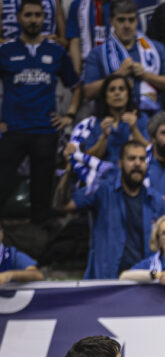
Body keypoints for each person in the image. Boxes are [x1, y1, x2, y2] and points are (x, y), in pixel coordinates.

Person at [0, 0, 79, 228]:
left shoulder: (56, 52)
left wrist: (70, 116)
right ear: (18, 17)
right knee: (2, 185)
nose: (33, 19)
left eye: (37, 15)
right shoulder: (6, 51)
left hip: (45, 131)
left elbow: (76, 86)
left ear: (45, 18)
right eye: (28, 15)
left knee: (41, 195)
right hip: (13, 130)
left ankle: (40, 252)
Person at [68, 140, 165, 280]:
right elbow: (64, 205)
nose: (137, 163)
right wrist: (66, 171)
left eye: (142, 159)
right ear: (120, 163)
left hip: (144, 280)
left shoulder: (157, 202)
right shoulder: (102, 191)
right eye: (131, 158)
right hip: (106, 280)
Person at [81, 0, 165, 119]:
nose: (127, 25)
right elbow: (88, 92)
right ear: (111, 21)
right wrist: (118, 75)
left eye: (131, 20)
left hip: (151, 118)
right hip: (113, 120)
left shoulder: (155, 48)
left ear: (137, 21)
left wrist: (146, 76)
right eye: (121, 20)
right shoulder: (98, 53)